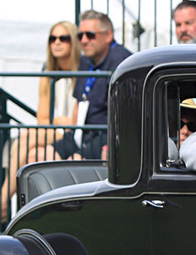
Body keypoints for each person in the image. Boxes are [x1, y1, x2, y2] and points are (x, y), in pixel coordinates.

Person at [0, 21, 80, 229]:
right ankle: (11, 209)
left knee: (27, 141)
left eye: (64, 38)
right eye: (53, 39)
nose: (57, 43)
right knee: (29, 145)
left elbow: (78, 121)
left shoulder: (83, 72)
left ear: (73, 42)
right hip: (54, 130)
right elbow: (42, 119)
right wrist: (59, 123)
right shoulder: (48, 73)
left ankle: (0, 205)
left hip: (74, 134)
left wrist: (65, 123)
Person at [42, 10, 132, 163]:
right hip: (82, 132)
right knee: (39, 155)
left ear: (108, 35)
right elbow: (79, 102)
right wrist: (73, 131)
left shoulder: (122, 61)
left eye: (90, 35)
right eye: (80, 36)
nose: (83, 40)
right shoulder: (85, 61)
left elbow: (126, 114)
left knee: (74, 161)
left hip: (107, 136)